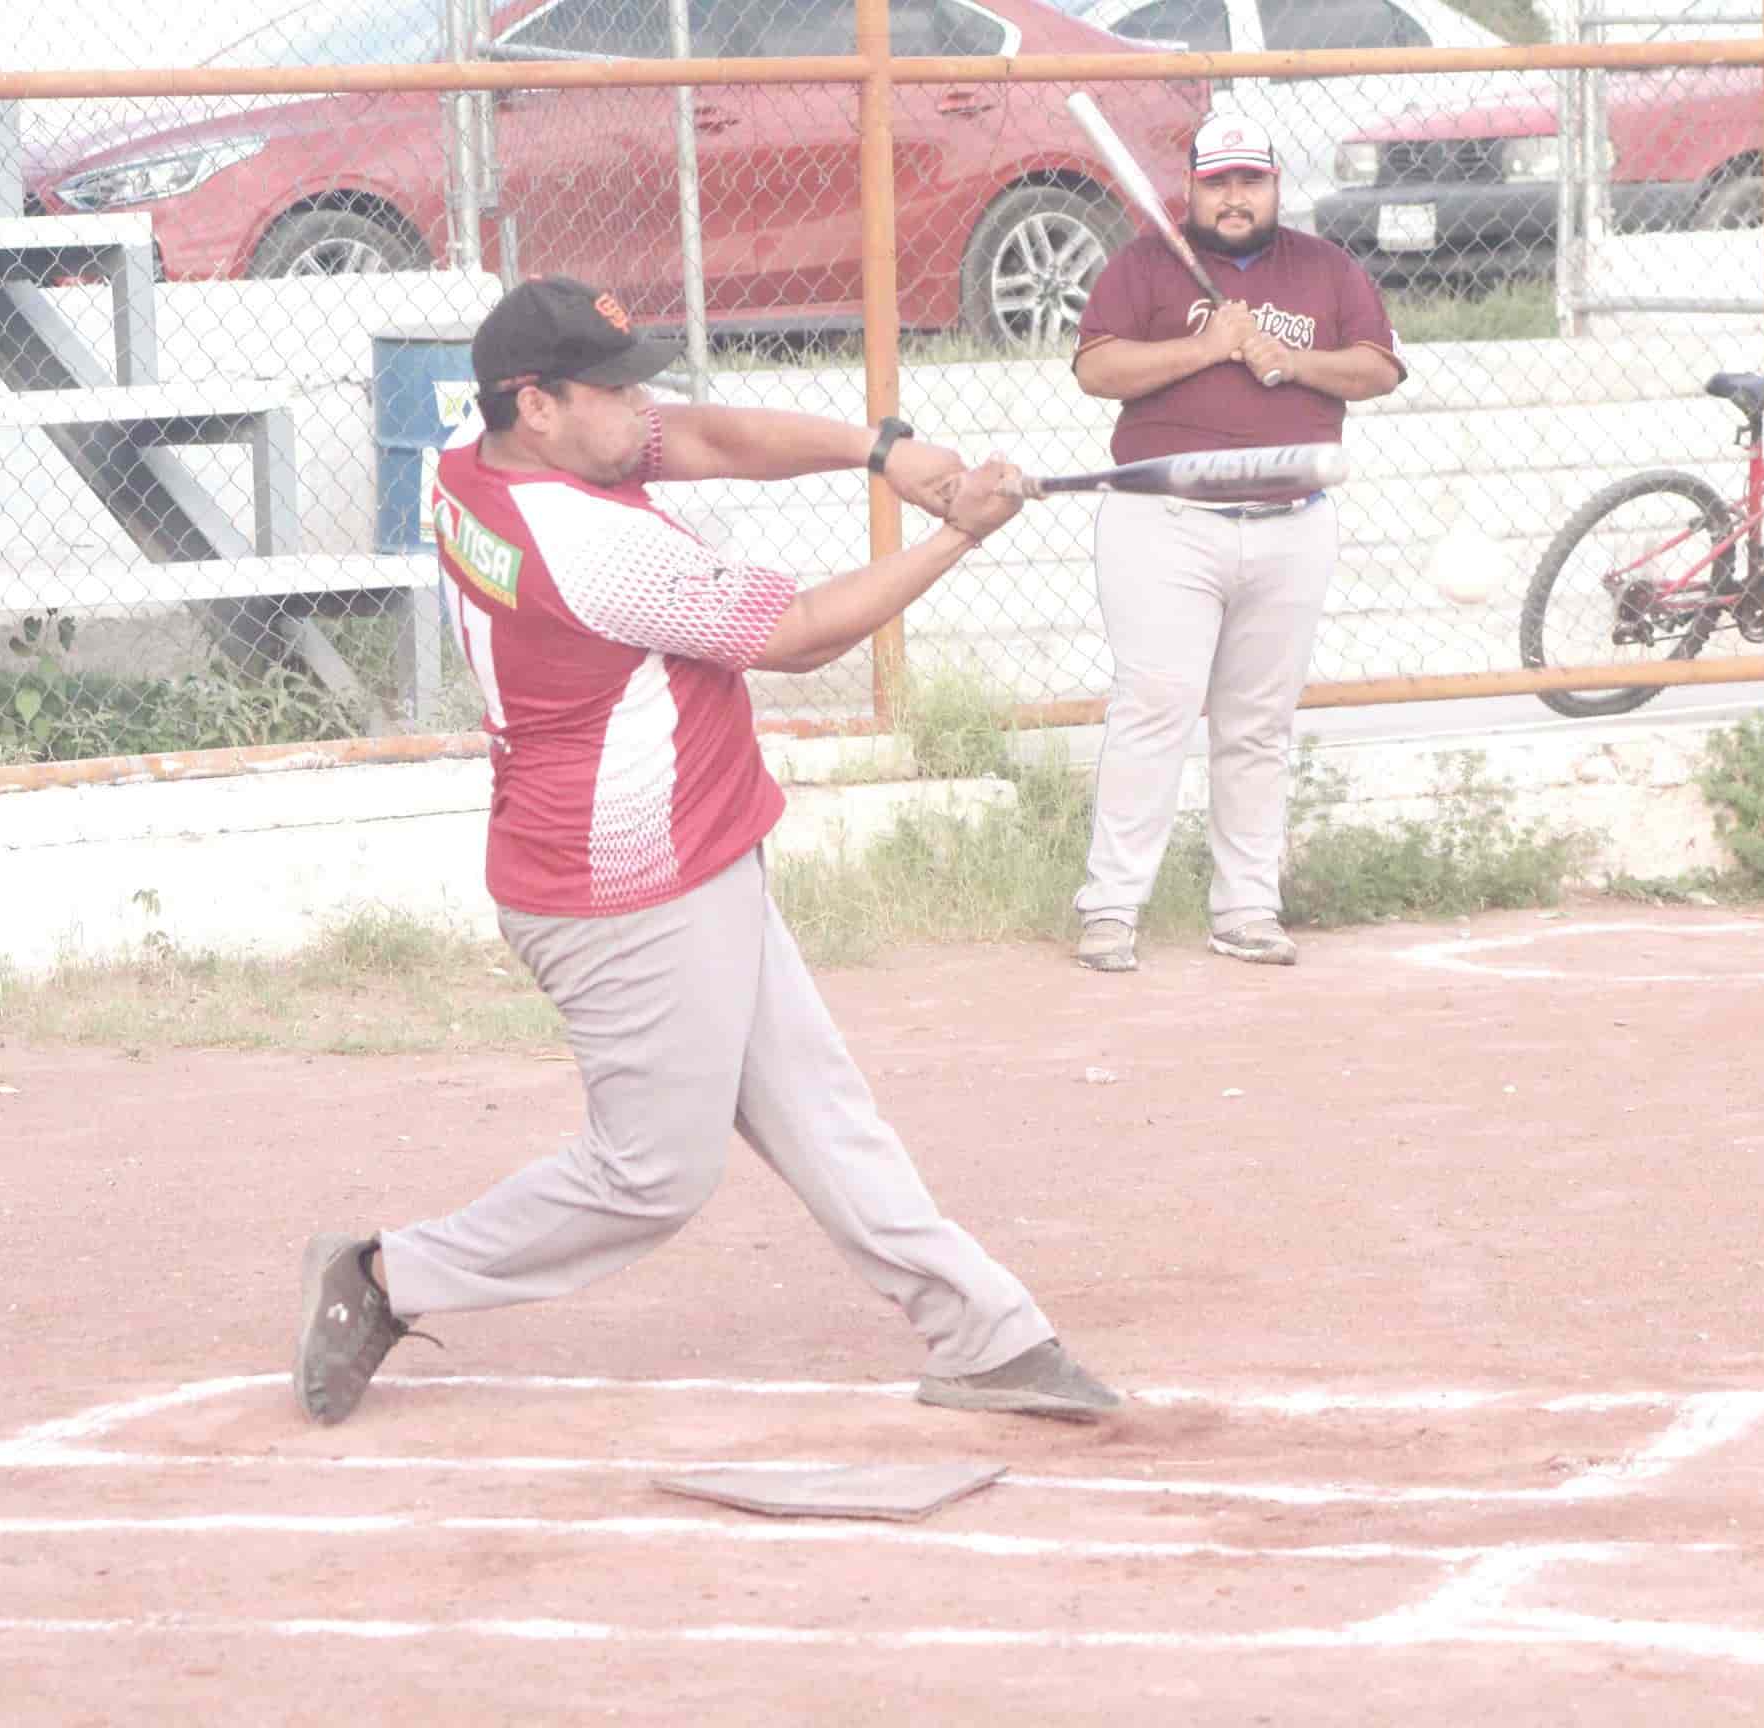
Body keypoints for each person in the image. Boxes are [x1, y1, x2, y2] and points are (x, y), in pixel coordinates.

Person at [294, 276, 1122, 1429]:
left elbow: (710, 436)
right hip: (622, 893)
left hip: (693, 850)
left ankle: (988, 1335)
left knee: (826, 1116)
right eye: (616, 389)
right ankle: (387, 1276)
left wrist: (885, 450)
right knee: (652, 1177)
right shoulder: (586, 545)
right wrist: (957, 536)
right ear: (534, 402)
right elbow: (794, 635)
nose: (647, 411)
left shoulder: (486, 458)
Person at [1066, 113, 1405, 974]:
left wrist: (1292, 363)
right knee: (1156, 707)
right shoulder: (1144, 264)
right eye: (1217, 182)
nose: (1234, 197)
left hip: (1292, 520)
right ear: (1192, 187)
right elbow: (1096, 369)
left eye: (1249, 181)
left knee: (1258, 725)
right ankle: (1110, 909)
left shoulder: (1324, 269)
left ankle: (1247, 908)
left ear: (1275, 186)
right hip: (1165, 521)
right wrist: (1206, 345)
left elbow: (1375, 367)